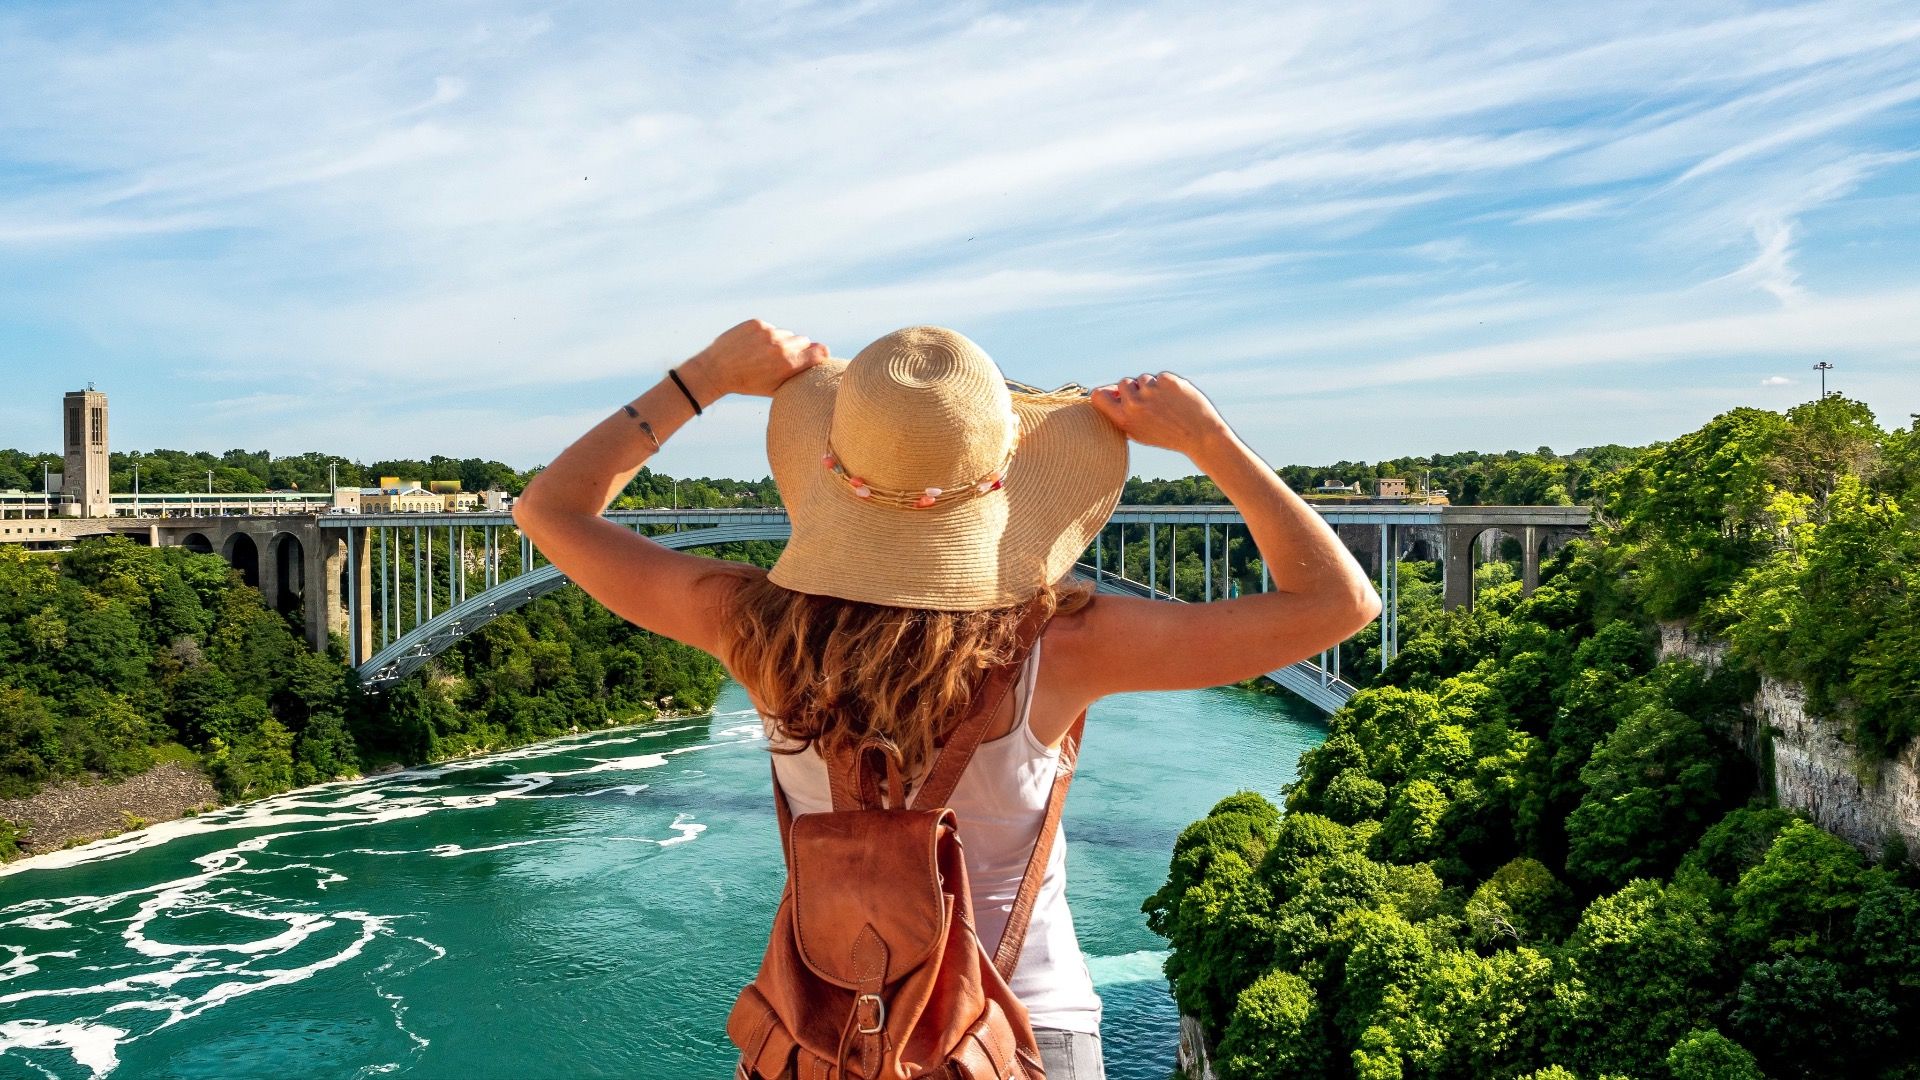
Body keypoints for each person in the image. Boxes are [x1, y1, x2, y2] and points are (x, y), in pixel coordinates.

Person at [512, 320, 1381, 1078]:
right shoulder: (1061, 645)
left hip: (830, 1037)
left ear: (831, 466)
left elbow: (551, 511)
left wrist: (700, 377)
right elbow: (1337, 605)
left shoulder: (756, 629)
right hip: (1023, 1034)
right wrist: (1208, 438)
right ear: (1003, 481)